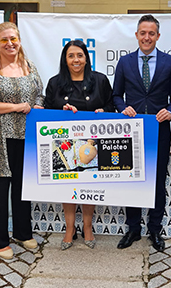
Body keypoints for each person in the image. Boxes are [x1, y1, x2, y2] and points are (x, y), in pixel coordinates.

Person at [0, 22, 44, 260]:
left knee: (24, 187)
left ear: (20, 40)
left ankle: (23, 233)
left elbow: (40, 95)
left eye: (13, 38)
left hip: (26, 136)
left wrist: (37, 106)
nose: (10, 43)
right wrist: (16, 107)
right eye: (4, 40)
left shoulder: (30, 66)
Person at [112, 15, 171, 251]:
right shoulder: (125, 62)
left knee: (156, 180)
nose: (147, 37)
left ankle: (154, 229)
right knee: (131, 180)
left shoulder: (170, 63)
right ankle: (133, 228)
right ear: (136, 35)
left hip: (159, 131)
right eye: (143, 32)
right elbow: (116, 96)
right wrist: (123, 108)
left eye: (151, 33)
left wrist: (170, 112)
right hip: (130, 132)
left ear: (158, 36)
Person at [44, 40, 114, 250]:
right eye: (71, 56)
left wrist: (104, 111)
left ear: (86, 58)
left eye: (80, 55)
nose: (76, 60)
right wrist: (60, 111)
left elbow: (111, 104)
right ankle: (69, 228)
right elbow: (47, 111)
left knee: (89, 185)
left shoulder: (100, 80)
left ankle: (87, 227)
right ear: (65, 60)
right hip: (65, 146)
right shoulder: (55, 83)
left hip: (92, 146)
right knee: (68, 185)